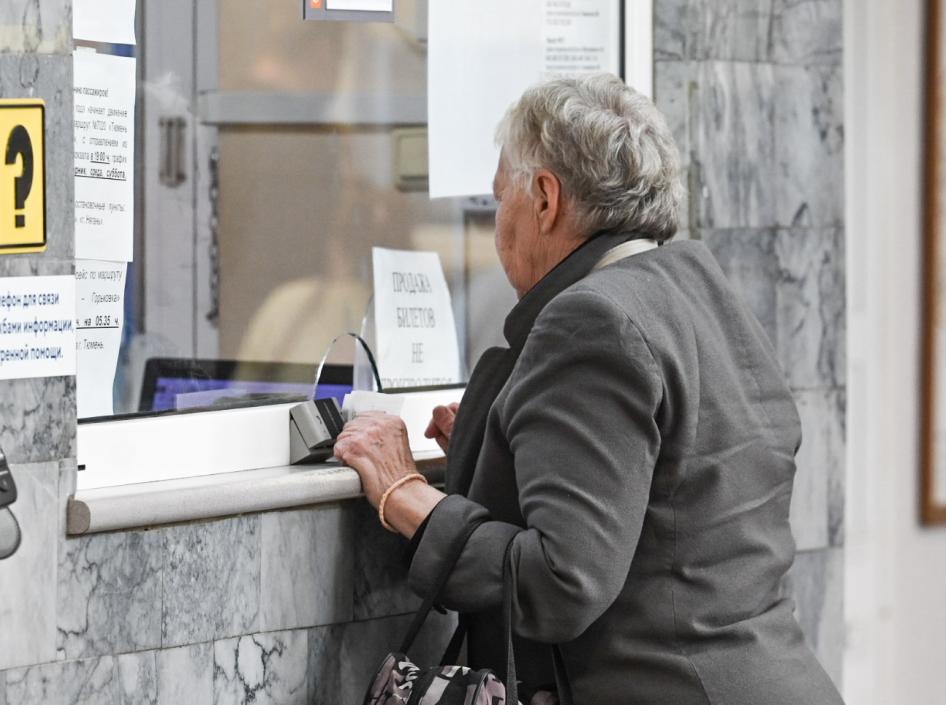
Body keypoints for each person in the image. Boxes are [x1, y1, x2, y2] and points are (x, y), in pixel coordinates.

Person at [333, 74, 845, 705]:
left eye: (501, 198)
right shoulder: (700, 290)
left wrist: (405, 493)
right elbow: (674, 500)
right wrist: (502, 443)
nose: (497, 224)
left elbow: (561, 582)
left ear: (545, 199)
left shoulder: (592, 319)